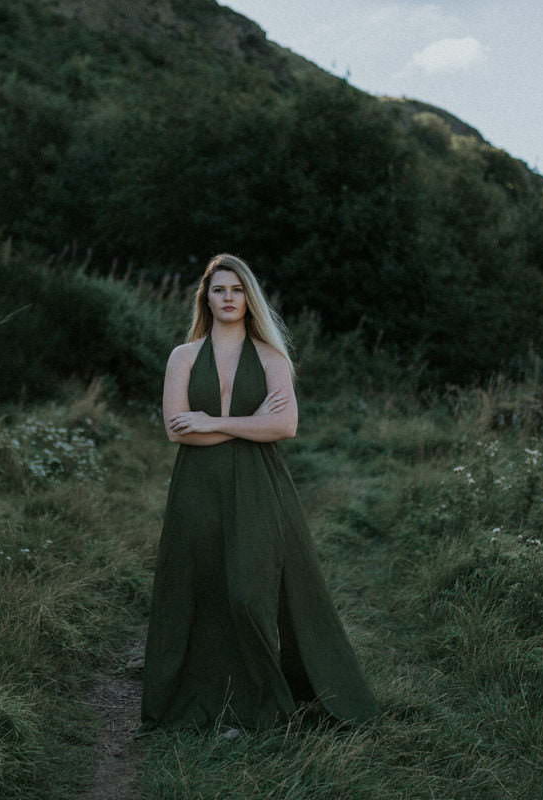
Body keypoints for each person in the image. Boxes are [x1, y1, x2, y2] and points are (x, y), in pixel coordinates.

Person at [141, 253, 378, 731]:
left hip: (258, 483)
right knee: (201, 589)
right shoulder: (183, 357)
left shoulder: (271, 356)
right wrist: (251, 424)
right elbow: (176, 430)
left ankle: (271, 700)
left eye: (237, 290)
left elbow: (285, 426)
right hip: (198, 485)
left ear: (249, 298)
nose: (228, 298)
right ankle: (211, 703)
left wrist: (214, 421)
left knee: (249, 593)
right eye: (219, 290)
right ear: (205, 299)